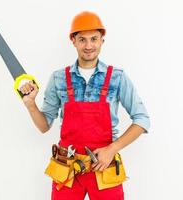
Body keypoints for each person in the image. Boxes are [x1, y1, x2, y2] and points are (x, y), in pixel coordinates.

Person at [19, 11, 150, 200]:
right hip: (68, 169)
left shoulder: (117, 77)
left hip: (104, 167)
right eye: (82, 39)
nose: (89, 46)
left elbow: (142, 119)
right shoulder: (58, 78)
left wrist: (112, 149)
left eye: (94, 39)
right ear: (73, 41)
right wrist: (30, 105)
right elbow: (44, 126)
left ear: (102, 41)